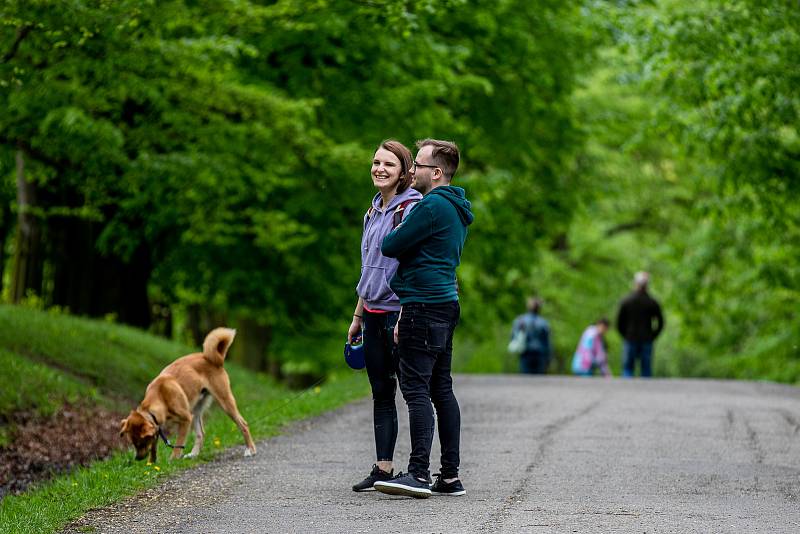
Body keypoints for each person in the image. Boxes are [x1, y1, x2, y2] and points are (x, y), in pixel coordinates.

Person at [373, 139, 473, 499]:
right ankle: (449, 476)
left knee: (416, 388)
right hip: (446, 302)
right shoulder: (457, 207)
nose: (411, 170)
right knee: (441, 388)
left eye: (417, 164)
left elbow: (391, 245)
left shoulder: (431, 205)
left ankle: (417, 473)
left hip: (423, 305)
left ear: (436, 172)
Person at [347, 140, 423, 492]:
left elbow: (413, 264)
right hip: (373, 313)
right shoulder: (373, 209)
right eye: (376, 163)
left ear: (405, 172)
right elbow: (367, 268)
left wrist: (406, 311)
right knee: (381, 391)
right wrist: (358, 315)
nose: (379, 169)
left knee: (411, 391)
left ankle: (418, 471)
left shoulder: (411, 209)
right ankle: (383, 467)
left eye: (388, 165)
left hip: (399, 313)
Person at [616, 271, 664, 377]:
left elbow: (619, 322)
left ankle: (625, 391)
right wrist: (653, 335)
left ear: (635, 283)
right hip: (646, 338)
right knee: (646, 369)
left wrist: (625, 335)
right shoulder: (652, 302)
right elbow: (660, 322)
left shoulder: (626, 301)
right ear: (647, 285)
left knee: (628, 368)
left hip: (630, 338)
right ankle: (646, 392)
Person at [510, 297, 551, 374]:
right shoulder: (543, 322)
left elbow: (513, 336)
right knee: (539, 381)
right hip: (540, 354)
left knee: (525, 379)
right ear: (539, 308)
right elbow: (547, 342)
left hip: (525, 353)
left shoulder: (520, 320)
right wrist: (548, 357)